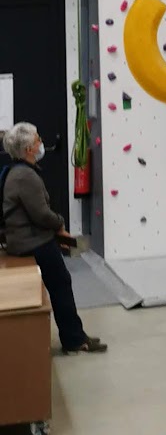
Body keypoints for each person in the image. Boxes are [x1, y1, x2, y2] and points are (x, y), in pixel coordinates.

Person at [1, 122, 107, 353]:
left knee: (63, 277)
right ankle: (74, 339)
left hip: (25, 239)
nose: (41, 143)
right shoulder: (24, 177)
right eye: (38, 140)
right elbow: (41, 215)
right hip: (32, 242)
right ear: (29, 148)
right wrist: (60, 224)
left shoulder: (17, 172)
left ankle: (75, 336)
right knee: (62, 283)